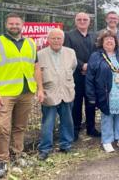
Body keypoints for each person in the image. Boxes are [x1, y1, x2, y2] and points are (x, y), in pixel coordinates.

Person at [0, 13, 44, 178]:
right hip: (4, 94)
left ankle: (17, 155)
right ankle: (2, 161)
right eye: (11, 23)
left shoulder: (31, 43)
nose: (14, 26)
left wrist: (40, 89)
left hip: (26, 92)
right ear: (6, 25)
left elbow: (36, 68)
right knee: (2, 127)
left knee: (20, 126)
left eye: (17, 23)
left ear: (22, 25)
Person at [86, 30, 119, 153]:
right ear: (102, 42)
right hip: (106, 92)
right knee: (107, 116)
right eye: (107, 40)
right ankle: (107, 140)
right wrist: (91, 95)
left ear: (116, 42)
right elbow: (89, 77)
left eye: (112, 39)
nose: (110, 41)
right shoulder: (96, 56)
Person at [37, 29, 77, 161]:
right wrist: (40, 90)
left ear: (63, 40)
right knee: (48, 122)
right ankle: (45, 148)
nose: (56, 41)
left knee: (67, 121)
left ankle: (65, 145)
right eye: (53, 38)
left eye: (59, 38)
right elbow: (37, 74)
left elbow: (73, 68)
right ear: (48, 40)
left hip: (66, 91)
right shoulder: (40, 54)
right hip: (49, 93)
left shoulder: (70, 53)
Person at [64, 12, 100, 140]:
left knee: (91, 102)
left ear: (89, 22)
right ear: (75, 21)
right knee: (77, 103)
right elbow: (68, 53)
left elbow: (98, 53)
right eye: (79, 19)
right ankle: (75, 129)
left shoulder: (95, 36)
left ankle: (91, 128)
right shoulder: (68, 36)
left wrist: (90, 66)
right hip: (76, 75)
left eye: (85, 19)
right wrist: (82, 66)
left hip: (91, 76)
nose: (82, 21)